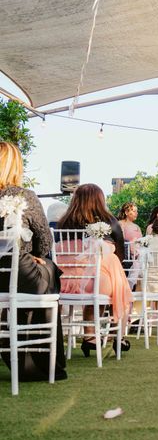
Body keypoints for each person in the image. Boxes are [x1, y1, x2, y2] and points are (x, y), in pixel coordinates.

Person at [0, 142, 67, 381]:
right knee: (50, 271)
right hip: (20, 274)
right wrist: (39, 257)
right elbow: (45, 242)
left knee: (45, 271)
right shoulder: (24, 196)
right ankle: (42, 361)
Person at [56, 183, 132, 356]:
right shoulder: (110, 221)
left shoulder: (65, 221)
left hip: (64, 283)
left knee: (100, 277)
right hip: (96, 283)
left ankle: (88, 337)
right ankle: (117, 335)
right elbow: (120, 255)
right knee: (118, 285)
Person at [118, 202, 142, 273]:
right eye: (134, 211)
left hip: (138, 256)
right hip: (126, 258)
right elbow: (121, 240)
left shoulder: (137, 226)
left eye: (137, 211)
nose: (136, 213)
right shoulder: (121, 224)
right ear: (126, 212)